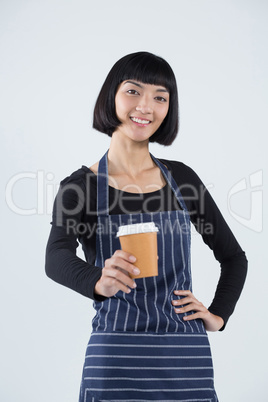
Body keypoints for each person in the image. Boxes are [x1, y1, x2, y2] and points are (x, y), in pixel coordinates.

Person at [45, 51, 248, 401]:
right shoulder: (80, 187)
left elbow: (233, 257)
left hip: (185, 358)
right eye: (133, 91)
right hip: (116, 356)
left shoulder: (182, 179)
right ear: (112, 96)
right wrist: (98, 280)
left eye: (160, 97)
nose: (146, 106)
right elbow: (56, 256)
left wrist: (218, 315)